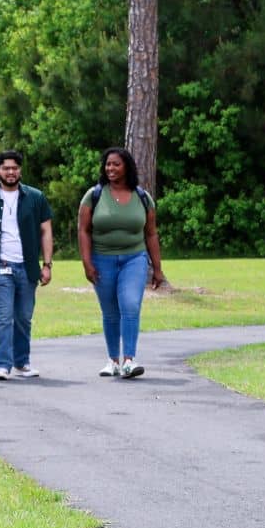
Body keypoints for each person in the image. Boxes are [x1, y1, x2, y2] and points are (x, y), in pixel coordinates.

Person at [77, 146, 166, 378]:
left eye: (116, 164)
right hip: (102, 259)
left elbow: (151, 234)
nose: (111, 168)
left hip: (134, 259)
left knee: (130, 305)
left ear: (127, 166)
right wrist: (87, 262)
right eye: (107, 164)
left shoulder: (142, 198)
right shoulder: (94, 195)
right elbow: (84, 230)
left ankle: (129, 360)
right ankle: (112, 361)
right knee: (110, 312)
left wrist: (157, 269)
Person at [0, 150, 54, 381]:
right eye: (5, 168)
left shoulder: (35, 197)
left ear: (20, 171)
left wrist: (47, 265)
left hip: (27, 267)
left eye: (14, 168)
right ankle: (2, 365)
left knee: (24, 317)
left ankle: (22, 362)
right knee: (2, 317)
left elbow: (46, 231)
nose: (10, 172)